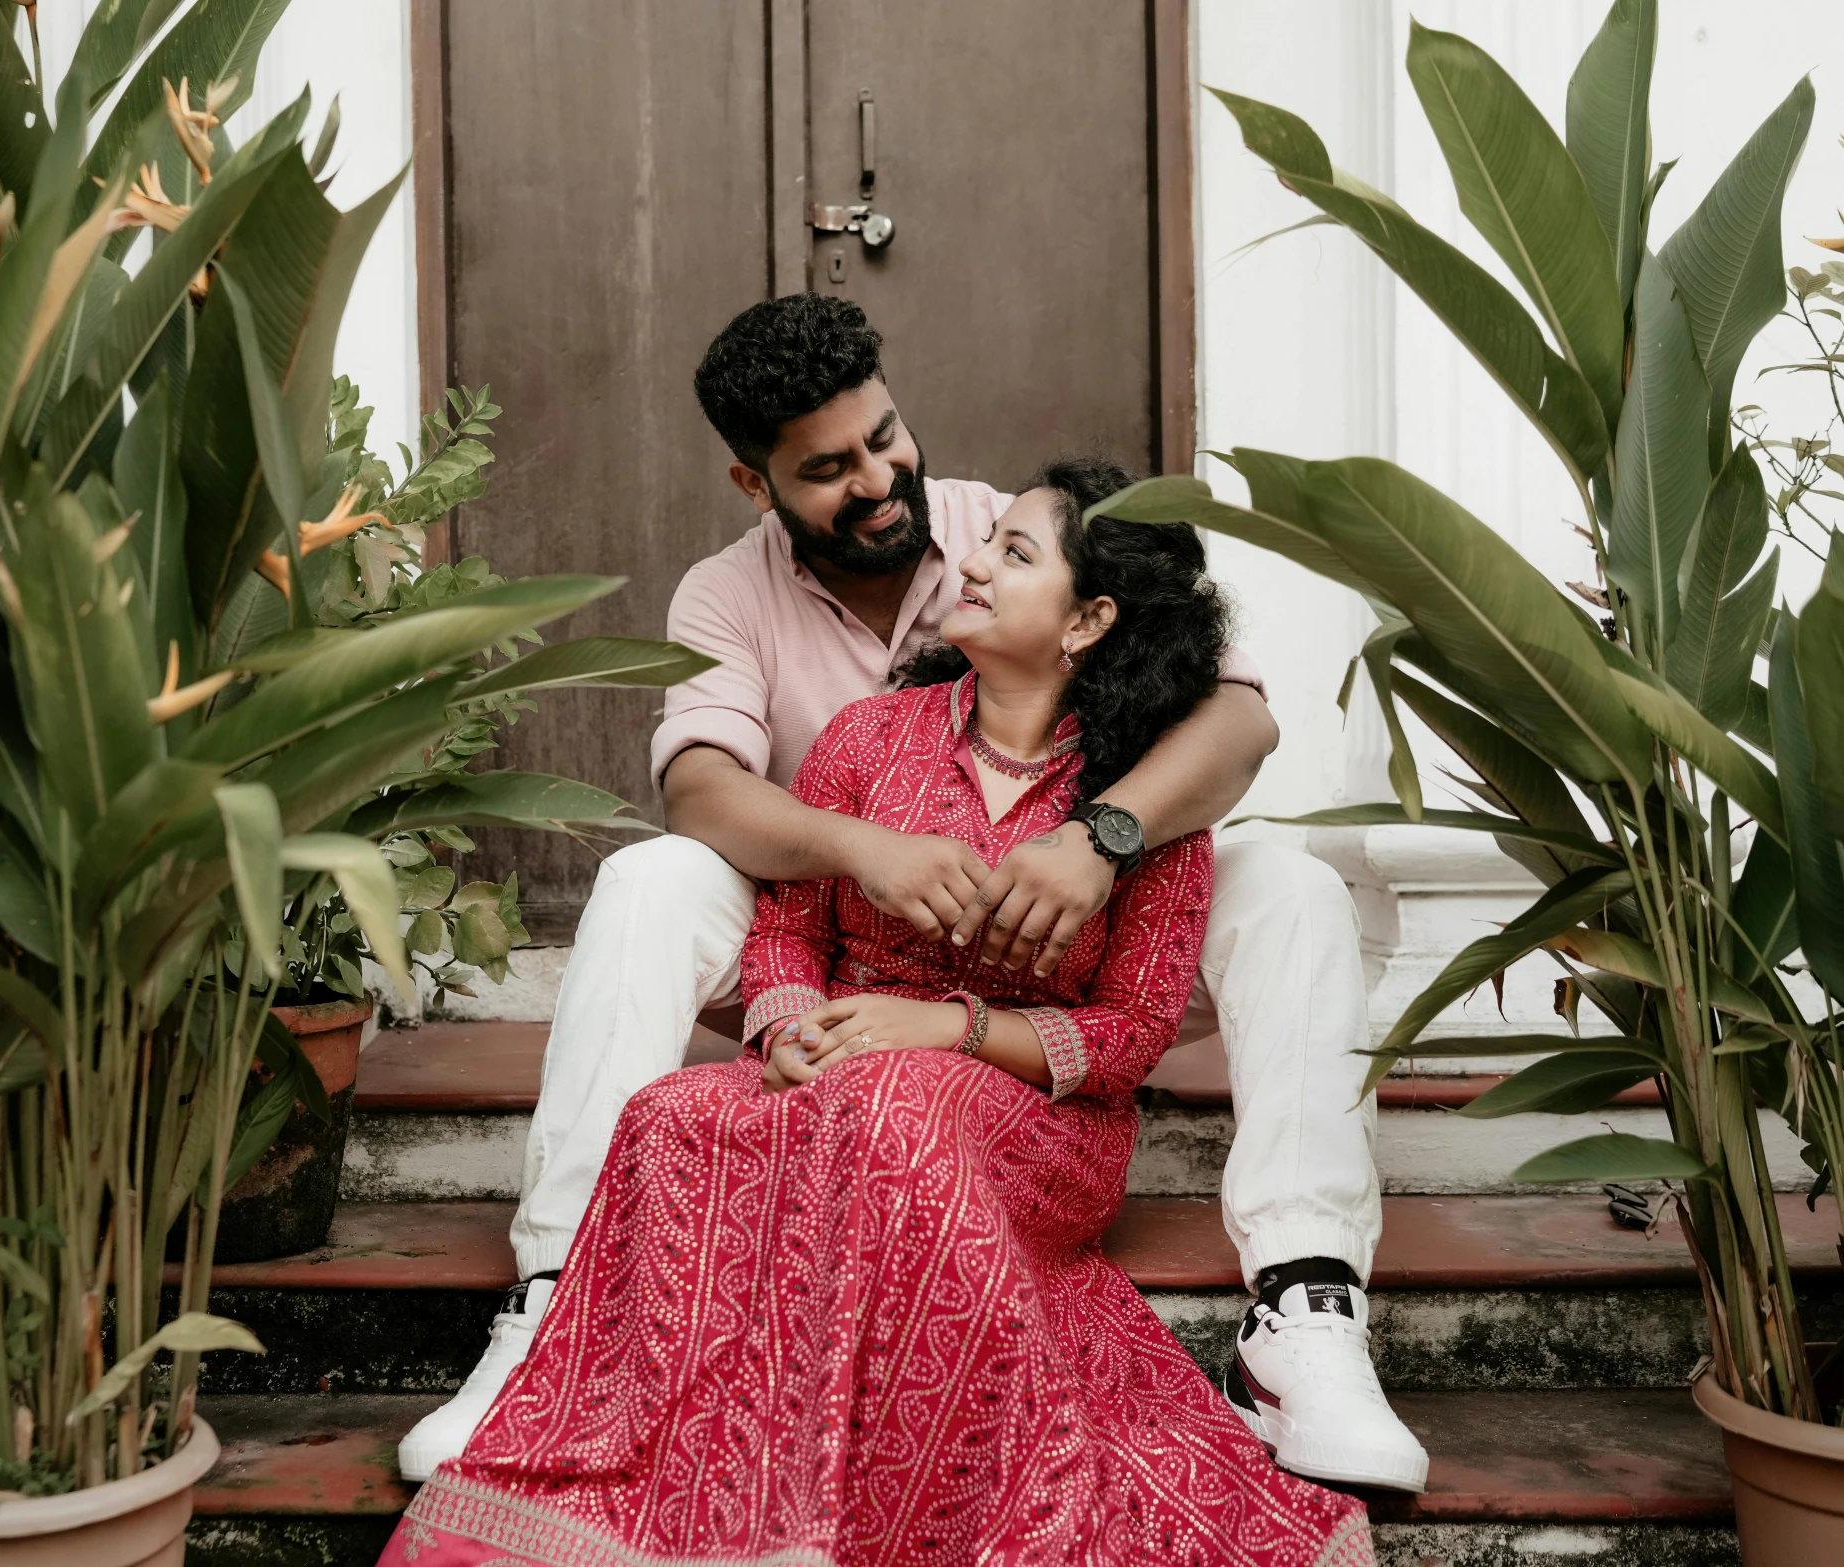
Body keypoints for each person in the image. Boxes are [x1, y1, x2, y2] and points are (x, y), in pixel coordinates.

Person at [398, 295, 1427, 1494]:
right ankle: (556, 1299)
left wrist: (1100, 840)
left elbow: (1239, 717)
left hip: (1074, 952)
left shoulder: (1011, 527)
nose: (881, 479)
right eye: (828, 469)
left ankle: (1304, 1307)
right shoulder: (726, 599)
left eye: (885, 436)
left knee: (1292, 885)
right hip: (842, 958)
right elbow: (700, 790)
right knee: (646, 878)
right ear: (755, 483)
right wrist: (861, 852)